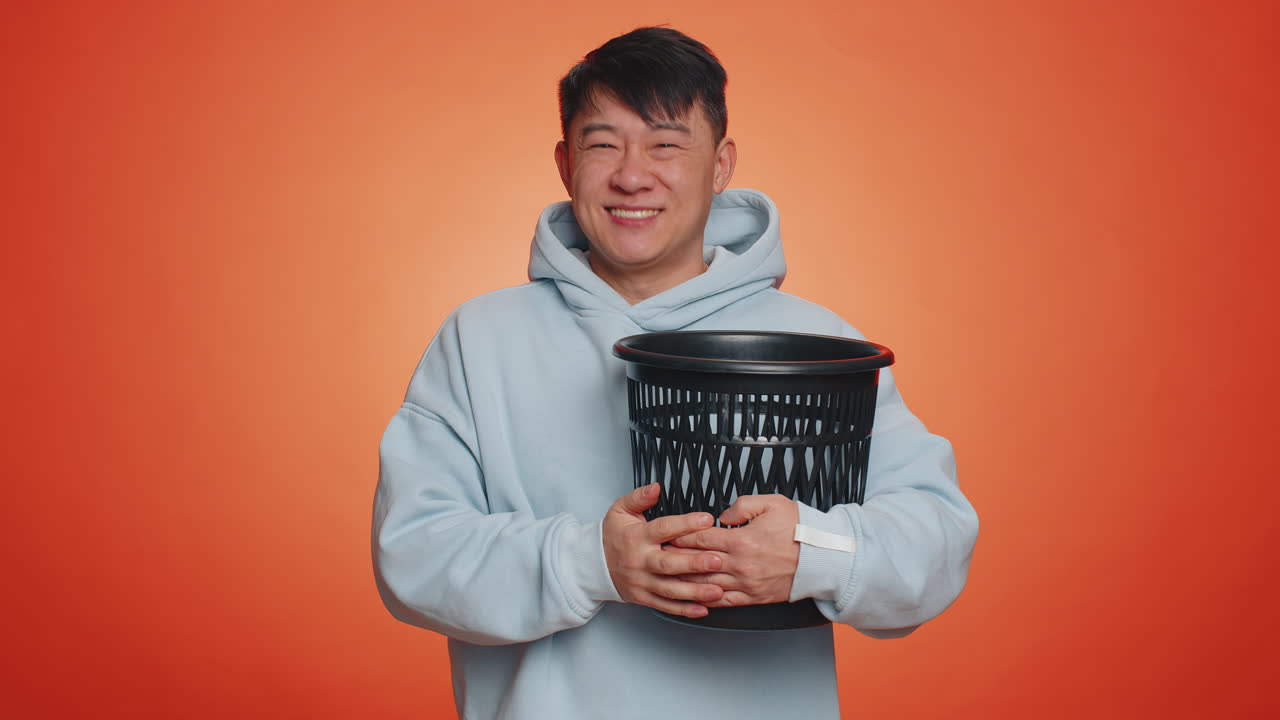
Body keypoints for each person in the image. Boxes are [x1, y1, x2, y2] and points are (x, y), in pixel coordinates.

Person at [372, 26, 978, 719]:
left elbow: (936, 539)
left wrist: (813, 553)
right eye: (603, 144)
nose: (633, 174)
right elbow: (412, 556)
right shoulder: (478, 340)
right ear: (566, 162)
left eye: (666, 143)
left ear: (720, 166)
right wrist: (589, 562)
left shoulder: (817, 343)